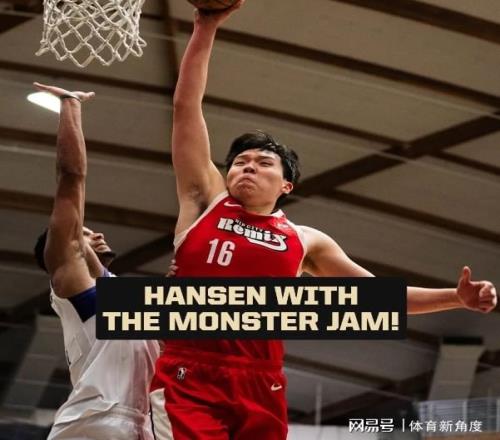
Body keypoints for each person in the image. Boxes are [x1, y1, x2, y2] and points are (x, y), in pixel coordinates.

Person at [149, 3, 498, 439]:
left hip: (261, 379)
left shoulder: (305, 240)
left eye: (263, 162)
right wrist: (205, 26)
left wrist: (456, 298)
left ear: (287, 185)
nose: (248, 166)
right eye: (239, 161)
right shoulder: (205, 200)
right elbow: (186, 108)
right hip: (190, 372)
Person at [32, 83, 159, 440]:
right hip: (93, 421)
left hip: (141, 424)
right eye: (84, 233)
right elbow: (71, 178)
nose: (97, 233)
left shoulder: (123, 298)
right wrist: (70, 105)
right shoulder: (72, 282)